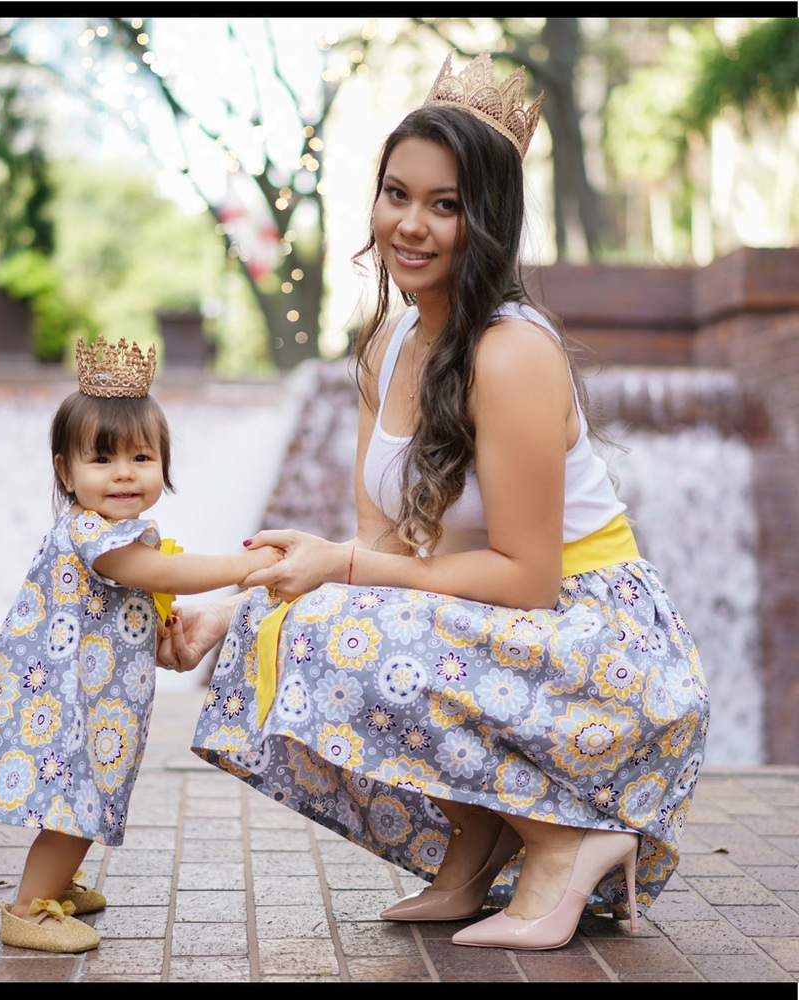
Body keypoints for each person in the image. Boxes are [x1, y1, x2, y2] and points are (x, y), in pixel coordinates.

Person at [166, 52, 709, 952]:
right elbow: (386, 556)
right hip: (517, 632)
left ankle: (566, 840)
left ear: (486, 217)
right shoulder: (388, 347)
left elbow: (530, 578)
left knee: (333, 630)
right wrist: (232, 610)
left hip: (603, 647)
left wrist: (332, 572)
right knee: (316, 622)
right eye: (395, 193)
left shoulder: (512, 352)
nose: (409, 224)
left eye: (444, 204)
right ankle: (480, 836)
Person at [0, 337, 279, 954]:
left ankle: (59, 885)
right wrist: (249, 565)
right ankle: (27, 911)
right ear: (66, 471)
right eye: (101, 458)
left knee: (93, 793)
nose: (124, 472)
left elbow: (112, 614)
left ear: (164, 466)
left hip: (95, 698)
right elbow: (163, 574)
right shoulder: (94, 533)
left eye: (142, 457)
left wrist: (155, 632)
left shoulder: (117, 533)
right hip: (67, 702)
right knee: (73, 805)